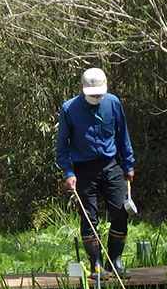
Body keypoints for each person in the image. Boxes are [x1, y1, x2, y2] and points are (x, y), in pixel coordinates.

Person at [55, 67, 135, 276]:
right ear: (82, 89)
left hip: (111, 165)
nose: (96, 96)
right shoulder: (69, 109)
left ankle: (114, 261)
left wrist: (128, 165)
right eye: (92, 93)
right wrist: (68, 172)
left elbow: (122, 135)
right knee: (89, 217)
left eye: (99, 92)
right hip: (84, 169)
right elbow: (62, 145)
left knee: (120, 211)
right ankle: (96, 264)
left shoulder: (113, 103)